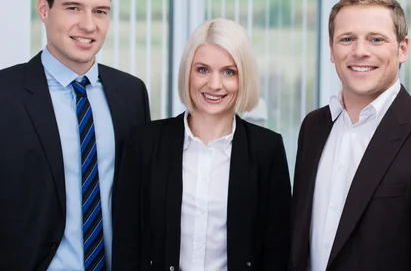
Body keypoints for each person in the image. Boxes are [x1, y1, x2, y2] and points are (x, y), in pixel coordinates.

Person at [289, 0, 411, 271]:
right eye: (347, 39)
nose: (360, 51)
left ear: (403, 49)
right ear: (331, 50)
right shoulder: (313, 128)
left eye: (376, 39)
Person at [0, 0, 151, 270]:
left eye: (100, 11)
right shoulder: (5, 93)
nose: (88, 24)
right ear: (44, 9)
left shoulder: (131, 93)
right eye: (73, 8)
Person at [112, 18, 291, 271]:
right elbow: (126, 244)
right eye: (203, 70)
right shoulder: (144, 143)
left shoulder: (267, 149)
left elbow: (276, 250)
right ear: (188, 72)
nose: (215, 84)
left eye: (229, 72)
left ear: (244, 78)